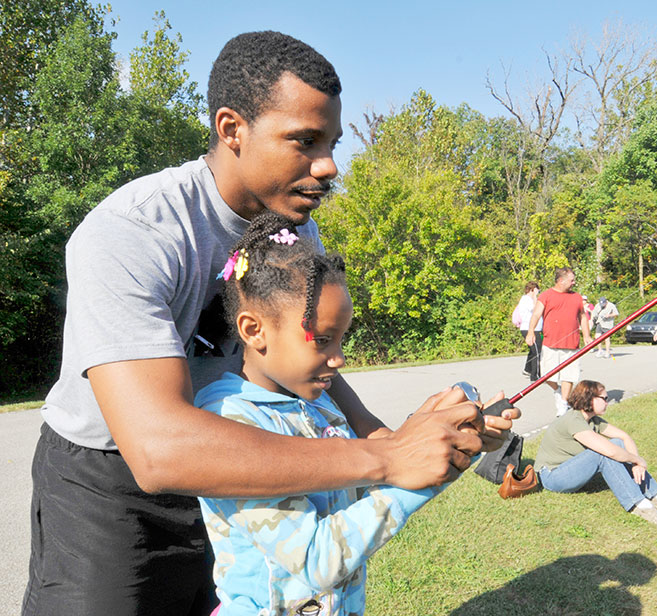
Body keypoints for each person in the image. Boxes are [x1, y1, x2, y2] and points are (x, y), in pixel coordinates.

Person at [23, 31, 518, 616]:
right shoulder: (134, 233)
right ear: (232, 129)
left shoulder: (293, 226)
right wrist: (387, 460)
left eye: (332, 141)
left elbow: (299, 348)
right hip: (111, 488)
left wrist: (381, 433)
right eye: (305, 140)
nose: (329, 165)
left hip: (245, 459)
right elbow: (159, 450)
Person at [198, 211, 454, 615]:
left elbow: (364, 485)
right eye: (322, 340)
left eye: (341, 339)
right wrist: (425, 476)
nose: (338, 359)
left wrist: (445, 435)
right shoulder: (228, 424)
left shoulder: (320, 402)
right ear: (253, 330)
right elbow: (319, 560)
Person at [534, 380, 657, 531]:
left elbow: (624, 437)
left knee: (616, 443)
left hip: (571, 469)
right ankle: (639, 505)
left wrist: (636, 465)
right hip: (553, 477)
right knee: (603, 454)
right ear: (589, 398)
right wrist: (638, 460)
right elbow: (610, 452)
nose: (607, 402)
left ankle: (656, 494)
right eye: (604, 399)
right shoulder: (573, 420)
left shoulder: (591, 420)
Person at [526, 267, 592, 416]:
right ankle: (557, 390)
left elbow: (582, 317)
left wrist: (587, 336)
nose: (574, 283)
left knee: (569, 375)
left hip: (571, 344)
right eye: (572, 280)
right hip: (550, 343)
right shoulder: (546, 295)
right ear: (561, 281)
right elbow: (536, 315)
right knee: (546, 375)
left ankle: (563, 404)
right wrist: (531, 332)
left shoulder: (576, 297)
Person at [513, 281, 542, 379]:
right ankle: (536, 375)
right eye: (537, 290)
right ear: (532, 289)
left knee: (533, 350)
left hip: (535, 328)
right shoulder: (526, 299)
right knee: (537, 352)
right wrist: (535, 297)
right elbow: (535, 309)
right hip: (530, 329)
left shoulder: (527, 299)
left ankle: (528, 369)